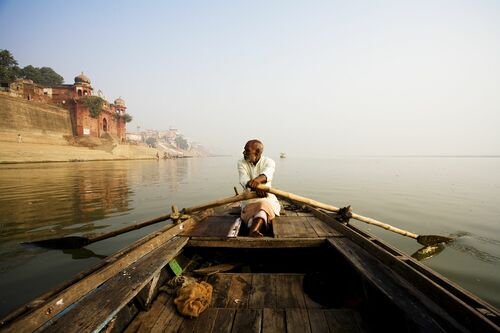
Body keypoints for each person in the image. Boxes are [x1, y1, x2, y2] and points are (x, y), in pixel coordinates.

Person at [237, 139, 280, 237]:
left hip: (266, 196)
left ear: (257, 152)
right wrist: (256, 187)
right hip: (249, 198)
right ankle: (254, 230)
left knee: (263, 206)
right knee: (253, 211)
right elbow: (243, 179)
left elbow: (267, 175)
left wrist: (257, 182)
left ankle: (253, 230)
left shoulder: (269, 162)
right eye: (244, 150)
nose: (244, 153)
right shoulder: (241, 162)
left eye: (247, 150)